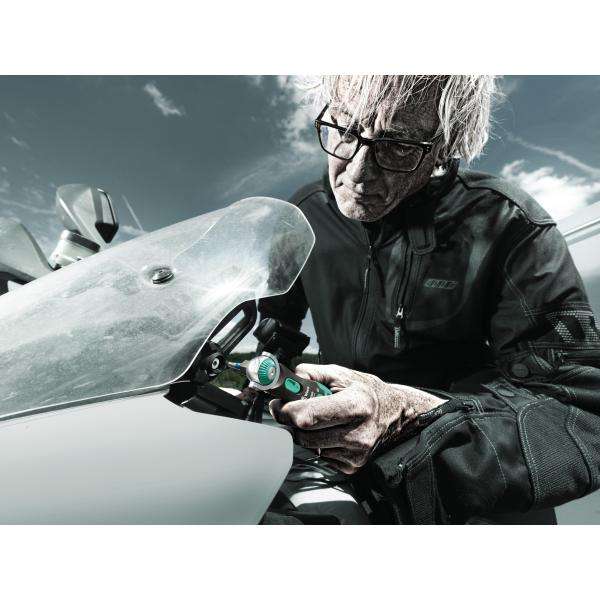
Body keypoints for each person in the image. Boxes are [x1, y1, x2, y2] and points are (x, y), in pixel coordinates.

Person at [257, 75, 600, 524]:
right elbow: (273, 332)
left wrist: (408, 416)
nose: (357, 173)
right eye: (344, 130)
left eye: (398, 147)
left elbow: (580, 414)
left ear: (444, 148)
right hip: (340, 473)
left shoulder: (506, 223)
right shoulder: (305, 215)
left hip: (469, 495)